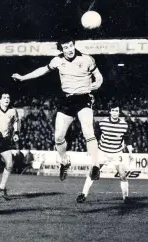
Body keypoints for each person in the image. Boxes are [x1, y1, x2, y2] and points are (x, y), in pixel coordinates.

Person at [11, 36, 103, 181]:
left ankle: (96, 166)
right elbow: (42, 70)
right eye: (65, 47)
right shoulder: (57, 60)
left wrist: (97, 84)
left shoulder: (87, 59)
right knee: (58, 137)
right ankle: (64, 161)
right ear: (62, 49)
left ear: (74, 45)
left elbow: (99, 77)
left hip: (83, 98)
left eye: (71, 46)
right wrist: (23, 78)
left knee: (88, 131)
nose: (69, 49)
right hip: (67, 99)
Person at [76, 103, 132, 203]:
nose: (115, 113)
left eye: (116, 111)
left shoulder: (124, 125)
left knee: (123, 175)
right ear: (110, 111)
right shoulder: (102, 123)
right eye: (113, 110)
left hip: (116, 153)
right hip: (102, 152)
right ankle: (83, 194)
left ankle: (126, 198)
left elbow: (127, 140)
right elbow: (95, 138)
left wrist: (131, 153)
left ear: (119, 112)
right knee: (93, 173)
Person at [0, 92, 20, 200]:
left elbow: (16, 122)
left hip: (5, 140)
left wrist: (16, 133)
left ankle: (1, 187)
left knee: (10, 164)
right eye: (4, 97)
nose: (7, 99)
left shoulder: (13, 110)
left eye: (8, 97)